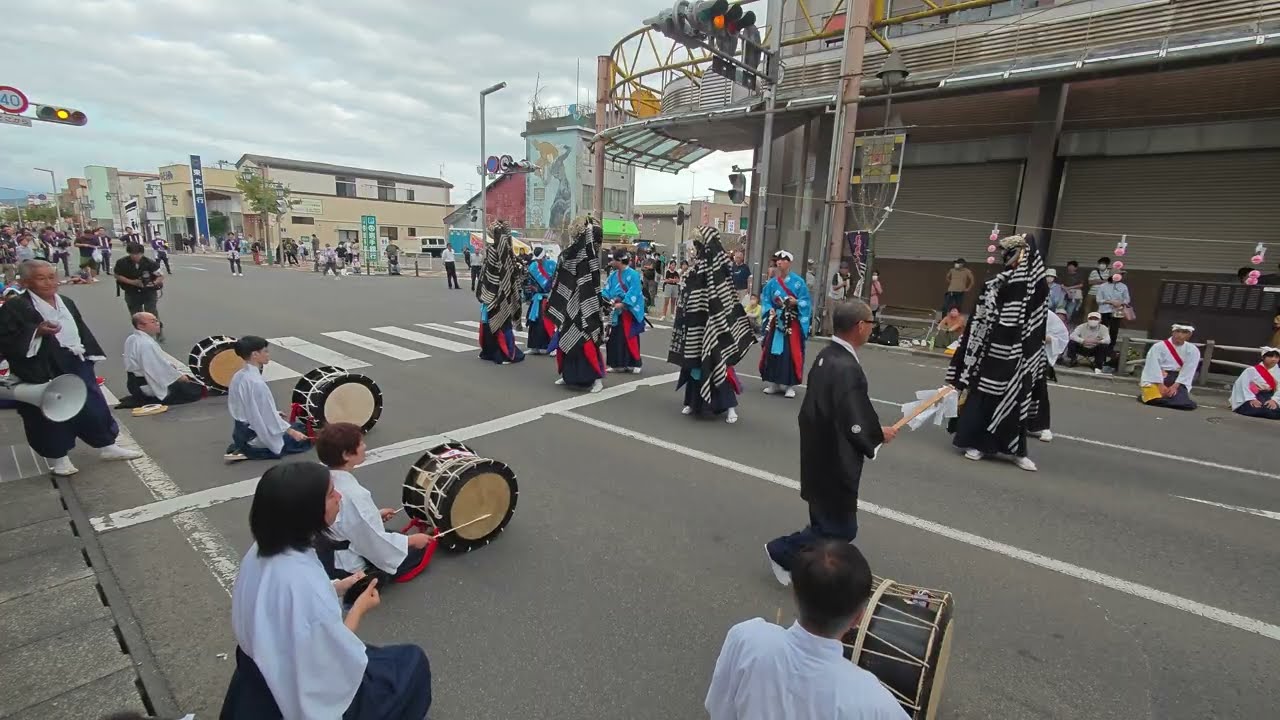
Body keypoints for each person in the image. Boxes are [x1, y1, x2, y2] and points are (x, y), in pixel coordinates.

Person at [219, 462, 432, 719]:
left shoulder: (260, 553)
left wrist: (338, 587)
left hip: (257, 677)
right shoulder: (302, 584)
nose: (339, 497)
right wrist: (360, 608)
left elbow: (287, 612)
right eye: (331, 494)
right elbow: (333, 662)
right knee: (411, 663)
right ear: (308, 511)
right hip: (305, 691)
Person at [765, 300, 894, 582]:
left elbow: (833, 411)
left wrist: (871, 430)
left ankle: (814, 569)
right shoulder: (846, 366)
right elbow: (853, 417)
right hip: (835, 459)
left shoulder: (827, 355)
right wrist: (874, 434)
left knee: (825, 522)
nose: (872, 329)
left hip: (819, 453)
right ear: (860, 326)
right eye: (871, 323)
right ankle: (782, 552)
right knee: (839, 529)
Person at [707, 540, 908, 720]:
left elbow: (719, 709)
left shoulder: (746, 638)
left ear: (794, 594)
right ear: (858, 618)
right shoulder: (875, 702)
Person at [0, 260, 142, 476]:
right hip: (41, 365)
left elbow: (79, 328)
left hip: (74, 358)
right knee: (49, 412)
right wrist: (36, 332)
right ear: (27, 282)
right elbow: (6, 339)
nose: (49, 282)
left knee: (93, 403)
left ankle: (107, 445)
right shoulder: (16, 306)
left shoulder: (65, 301)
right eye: (41, 278)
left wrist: (89, 354)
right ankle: (59, 458)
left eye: (52, 276)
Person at [946, 233, 1046, 472]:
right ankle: (977, 442)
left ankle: (1015, 449)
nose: (1007, 257)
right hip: (993, 350)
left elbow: (1038, 320)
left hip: (1022, 352)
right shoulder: (996, 283)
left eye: (1012, 252)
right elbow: (980, 319)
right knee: (985, 394)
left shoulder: (1037, 284)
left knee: (1017, 397)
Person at [314, 423, 435, 584]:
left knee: (394, 535)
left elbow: (345, 521)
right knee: (418, 548)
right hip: (344, 565)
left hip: (326, 552)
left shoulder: (323, 479)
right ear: (346, 455)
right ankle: (367, 577)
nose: (365, 446)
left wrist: (375, 516)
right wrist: (412, 541)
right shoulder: (354, 494)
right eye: (361, 444)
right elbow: (373, 541)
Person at [669, 226, 757, 424]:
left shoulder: (720, 267)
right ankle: (693, 402)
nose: (697, 248)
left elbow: (726, 299)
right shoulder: (697, 266)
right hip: (696, 322)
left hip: (717, 325)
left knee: (720, 363)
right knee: (693, 362)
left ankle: (730, 407)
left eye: (700, 244)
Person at [224, 336, 312, 462]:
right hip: (253, 435)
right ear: (255, 354)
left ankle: (243, 446)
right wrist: (292, 433)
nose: (268, 354)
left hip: (241, 431)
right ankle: (250, 449)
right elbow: (267, 417)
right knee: (302, 438)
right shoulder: (256, 383)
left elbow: (248, 408)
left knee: (297, 426)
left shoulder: (239, 376)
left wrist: (275, 414)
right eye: (265, 351)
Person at [546, 215, 607, 393]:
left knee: (587, 342)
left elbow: (593, 285)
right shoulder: (569, 255)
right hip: (569, 304)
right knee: (565, 340)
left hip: (585, 306)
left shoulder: (589, 257)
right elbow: (558, 280)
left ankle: (596, 378)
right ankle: (567, 375)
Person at [758, 250, 811, 398]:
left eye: (783, 260)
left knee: (790, 353)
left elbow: (806, 301)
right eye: (778, 260)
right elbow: (766, 300)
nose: (779, 263)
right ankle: (774, 382)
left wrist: (796, 302)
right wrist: (770, 311)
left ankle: (789, 385)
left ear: (789, 262)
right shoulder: (771, 283)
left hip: (792, 322)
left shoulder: (798, 282)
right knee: (772, 352)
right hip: (777, 321)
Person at [122, 312, 203, 406]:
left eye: (157, 320)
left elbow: (155, 364)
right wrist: (180, 377)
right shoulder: (146, 344)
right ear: (141, 326)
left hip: (135, 384)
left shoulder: (132, 338)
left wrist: (170, 366)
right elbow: (156, 369)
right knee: (194, 389)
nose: (158, 323)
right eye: (153, 321)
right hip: (147, 386)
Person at [475, 220, 525, 365]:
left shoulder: (493, 251)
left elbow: (487, 274)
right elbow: (512, 276)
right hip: (506, 295)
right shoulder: (509, 253)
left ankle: (503, 353)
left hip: (494, 294)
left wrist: (488, 292)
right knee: (502, 324)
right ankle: (501, 352)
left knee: (496, 324)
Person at [1028, 308, 1069, 443]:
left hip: (1039, 356)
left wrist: (1041, 338)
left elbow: (1062, 336)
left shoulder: (1048, 315)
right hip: (1018, 353)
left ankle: (1043, 426)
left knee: (1039, 390)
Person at [602, 249, 646, 374]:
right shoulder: (613, 275)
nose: (612, 262)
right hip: (615, 310)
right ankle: (617, 364)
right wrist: (606, 299)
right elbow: (606, 289)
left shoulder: (633, 274)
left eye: (613, 260)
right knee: (614, 337)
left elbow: (635, 291)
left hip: (628, 311)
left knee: (629, 337)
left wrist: (623, 303)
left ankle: (635, 363)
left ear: (619, 260)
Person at [1139, 323, 1200, 410]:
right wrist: (1160, 385)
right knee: (1153, 399)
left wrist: (1175, 386)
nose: (1180, 335)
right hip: (1158, 376)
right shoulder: (1158, 347)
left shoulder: (1193, 350)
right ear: (1173, 332)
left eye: (1184, 332)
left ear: (1189, 335)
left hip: (1177, 379)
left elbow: (1188, 370)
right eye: (1178, 331)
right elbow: (1152, 366)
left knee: (1184, 403)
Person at [114, 243, 165, 339]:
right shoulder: (122, 262)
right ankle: (141, 334)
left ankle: (158, 331)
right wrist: (132, 282)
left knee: (151, 312)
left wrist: (153, 283)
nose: (135, 256)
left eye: (138, 254)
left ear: (142, 253)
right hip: (131, 291)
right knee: (136, 315)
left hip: (149, 291)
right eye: (132, 254)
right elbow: (117, 275)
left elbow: (161, 276)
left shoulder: (150, 263)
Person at [1230, 347, 1280, 420]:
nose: (1273, 359)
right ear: (1263, 357)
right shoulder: (1251, 370)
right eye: (1270, 356)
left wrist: (1274, 400)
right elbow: (1243, 385)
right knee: (1256, 409)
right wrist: (1251, 399)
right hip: (1253, 395)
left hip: (1270, 396)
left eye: (1276, 357)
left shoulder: (1278, 372)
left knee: (1273, 411)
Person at [524, 246, 557, 355]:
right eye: (537, 259)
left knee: (548, 322)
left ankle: (552, 347)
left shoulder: (552, 264)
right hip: (537, 298)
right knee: (534, 322)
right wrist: (529, 292)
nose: (539, 261)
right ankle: (534, 347)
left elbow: (557, 280)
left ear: (544, 257)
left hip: (550, 298)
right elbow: (529, 282)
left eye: (541, 258)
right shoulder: (533, 266)